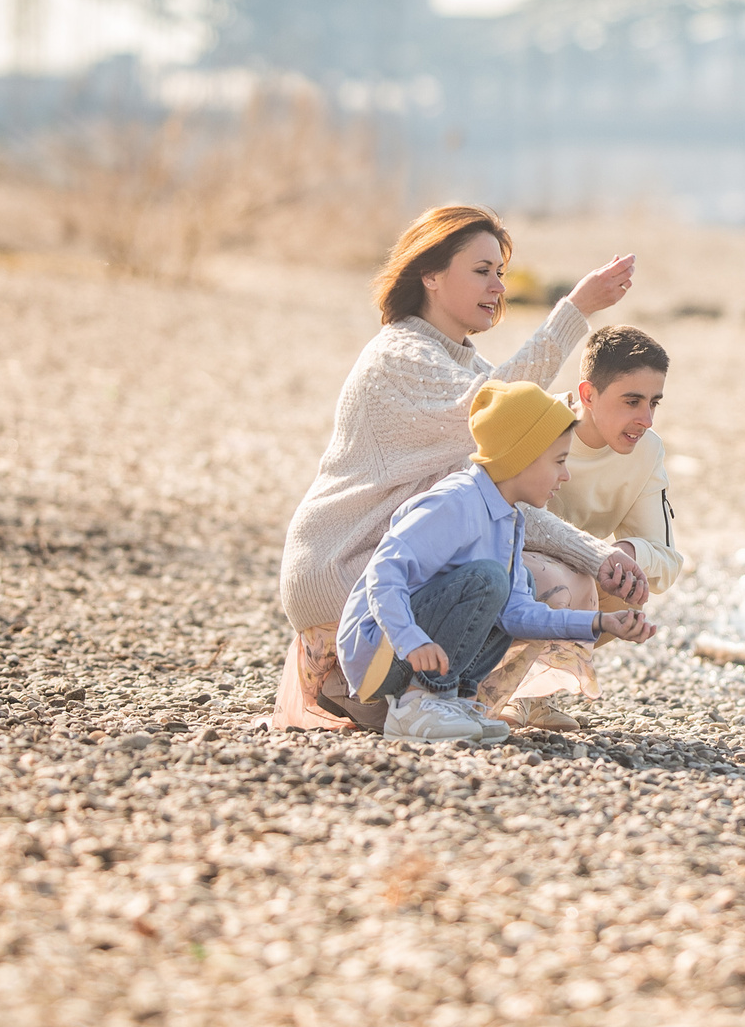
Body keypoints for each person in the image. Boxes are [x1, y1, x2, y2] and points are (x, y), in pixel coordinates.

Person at [270, 204, 637, 731]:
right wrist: (575, 311)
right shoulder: (398, 356)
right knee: (536, 579)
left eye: (501, 274)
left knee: (576, 575)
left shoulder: (458, 365)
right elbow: (501, 401)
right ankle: (405, 696)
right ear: (432, 276)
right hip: (347, 565)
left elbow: (503, 501)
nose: (498, 287)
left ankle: (449, 698)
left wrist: (599, 556)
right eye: (482, 271)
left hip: (404, 561)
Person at [338, 380, 654, 743]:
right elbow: (384, 571)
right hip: (381, 651)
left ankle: (454, 699)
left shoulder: (508, 520)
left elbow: (518, 615)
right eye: (559, 462)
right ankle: (417, 705)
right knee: (489, 579)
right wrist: (410, 639)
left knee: (517, 588)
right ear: (522, 456)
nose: (565, 476)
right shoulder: (455, 502)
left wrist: (602, 622)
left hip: (413, 648)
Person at [478, 325, 690, 729]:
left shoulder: (647, 451)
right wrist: (591, 558)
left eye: (653, 403)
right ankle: (483, 688)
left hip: (569, 575)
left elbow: (666, 560)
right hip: (497, 574)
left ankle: (530, 692)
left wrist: (622, 557)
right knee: (560, 579)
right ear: (588, 394)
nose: (645, 419)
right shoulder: (539, 427)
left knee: (628, 593)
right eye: (632, 401)